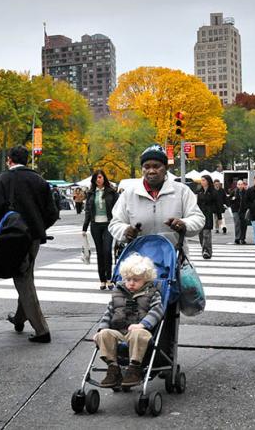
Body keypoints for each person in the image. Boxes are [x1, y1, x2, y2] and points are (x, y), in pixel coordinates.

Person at [0, 146, 60, 343]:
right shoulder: (39, 180)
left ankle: (41, 329)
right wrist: (38, 227)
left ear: (9, 159)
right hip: (33, 236)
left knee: (23, 278)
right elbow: (52, 212)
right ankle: (20, 318)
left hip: (12, 235)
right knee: (24, 273)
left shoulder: (4, 179)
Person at [108, 144, 205, 249]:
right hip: (139, 260)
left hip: (173, 259)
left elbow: (198, 218)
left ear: (166, 167)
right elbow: (115, 223)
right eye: (146, 167)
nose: (151, 171)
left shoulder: (182, 191)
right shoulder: (129, 193)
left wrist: (184, 224)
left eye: (156, 166)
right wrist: (125, 230)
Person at [93, 253, 165, 388]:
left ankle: (134, 368)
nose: (131, 283)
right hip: (120, 333)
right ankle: (113, 368)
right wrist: (101, 329)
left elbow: (157, 310)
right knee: (104, 334)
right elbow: (109, 313)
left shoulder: (152, 293)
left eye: (136, 280)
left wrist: (143, 325)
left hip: (141, 333)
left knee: (138, 334)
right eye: (128, 279)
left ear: (146, 279)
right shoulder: (118, 293)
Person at [82, 169, 118, 290]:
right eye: (97, 177)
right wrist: (84, 228)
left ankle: (109, 279)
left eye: (101, 177)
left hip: (108, 224)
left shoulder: (111, 192)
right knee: (100, 252)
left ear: (104, 178)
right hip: (95, 225)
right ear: (94, 180)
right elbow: (88, 211)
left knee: (107, 250)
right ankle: (102, 280)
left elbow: (118, 209)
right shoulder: (91, 193)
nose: (99, 179)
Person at [195, 174, 222, 259]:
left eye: (203, 180)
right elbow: (196, 204)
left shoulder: (213, 192)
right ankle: (204, 249)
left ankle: (207, 251)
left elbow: (218, 205)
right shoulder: (199, 191)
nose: (202, 182)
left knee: (206, 234)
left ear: (208, 181)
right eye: (201, 180)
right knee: (201, 235)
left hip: (209, 214)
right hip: (200, 215)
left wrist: (219, 217)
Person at [229, 180, 248, 244]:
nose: (240, 186)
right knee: (237, 223)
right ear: (237, 185)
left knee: (243, 224)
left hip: (243, 210)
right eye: (239, 184)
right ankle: (237, 238)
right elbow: (229, 199)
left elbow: (248, 200)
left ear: (243, 185)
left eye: (241, 184)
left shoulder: (246, 192)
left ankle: (242, 238)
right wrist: (232, 205)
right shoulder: (234, 191)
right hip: (235, 210)